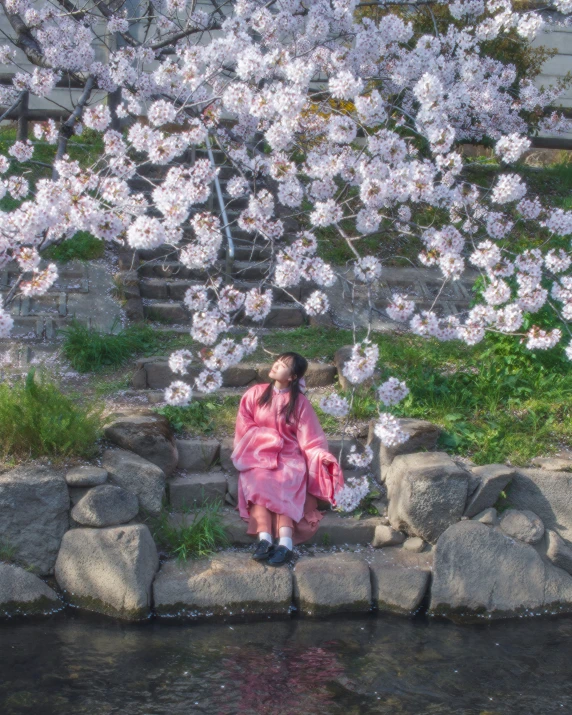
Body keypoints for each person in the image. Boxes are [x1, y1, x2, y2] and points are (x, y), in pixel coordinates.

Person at [230, 351, 344, 566]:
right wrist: (267, 439)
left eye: (283, 364)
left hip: (290, 456)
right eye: (277, 361)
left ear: (292, 377)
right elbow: (245, 424)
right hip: (258, 453)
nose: (275, 365)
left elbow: (311, 439)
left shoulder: (300, 403)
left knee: (286, 481)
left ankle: (285, 544)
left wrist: (322, 457)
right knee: (259, 480)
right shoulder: (255, 393)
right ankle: (264, 540)